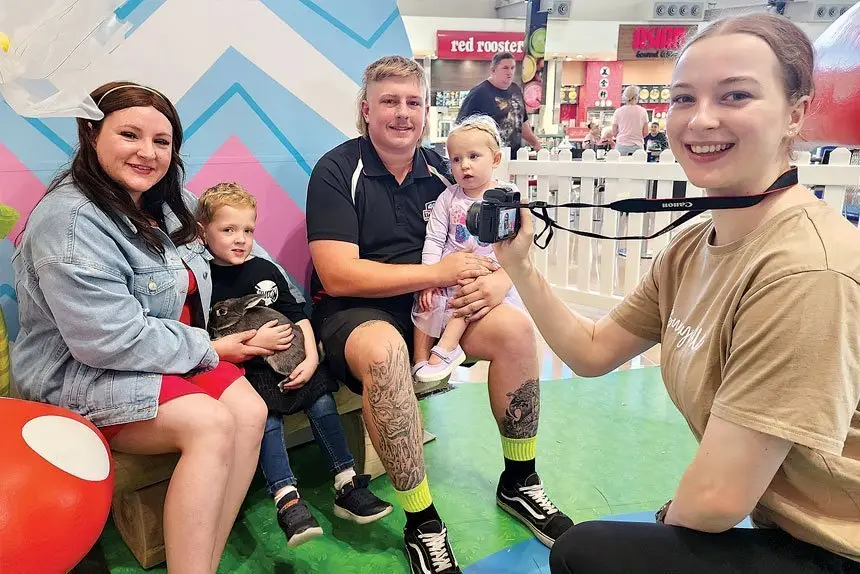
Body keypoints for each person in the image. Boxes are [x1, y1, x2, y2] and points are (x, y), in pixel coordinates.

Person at [493, 13, 860, 573]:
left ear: (797, 113)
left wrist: (666, 529)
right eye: (683, 98)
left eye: (735, 95)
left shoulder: (805, 269)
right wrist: (519, 265)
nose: (701, 120)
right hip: (779, 526)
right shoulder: (693, 246)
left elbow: (716, 501)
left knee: (586, 555)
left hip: (837, 549)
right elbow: (592, 351)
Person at [306, 55, 573, 574]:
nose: (403, 113)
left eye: (413, 102)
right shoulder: (338, 170)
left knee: (517, 330)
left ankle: (520, 481)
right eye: (390, 102)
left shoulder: (447, 166)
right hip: (358, 313)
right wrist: (438, 275)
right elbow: (338, 274)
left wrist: (498, 280)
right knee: (385, 353)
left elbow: (514, 238)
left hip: (441, 305)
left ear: (427, 110)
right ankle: (422, 521)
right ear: (365, 110)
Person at [11, 82, 278, 573]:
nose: (147, 152)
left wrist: (292, 312)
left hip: (161, 353)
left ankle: (203, 561)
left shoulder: (170, 202)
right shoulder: (70, 220)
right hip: (80, 372)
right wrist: (211, 346)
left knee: (250, 408)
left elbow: (238, 249)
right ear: (91, 135)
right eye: (129, 134)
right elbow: (107, 340)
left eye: (162, 141)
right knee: (211, 423)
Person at [196, 182, 393, 548]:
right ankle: (287, 497)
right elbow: (204, 339)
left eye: (248, 230)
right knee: (264, 415)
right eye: (228, 230)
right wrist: (256, 345)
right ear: (202, 232)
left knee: (320, 398)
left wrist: (313, 355)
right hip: (248, 372)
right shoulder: (202, 279)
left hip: (295, 361)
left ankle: (346, 482)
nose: (240, 239)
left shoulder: (263, 270)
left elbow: (296, 314)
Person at [410, 115, 527, 383]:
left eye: (474, 156)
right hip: (450, 270)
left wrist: (503, 271)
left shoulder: (507, 195)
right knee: (425, 301)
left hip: (488, 270)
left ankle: (447, 349)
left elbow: (518, 241)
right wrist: (429, 278)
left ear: (495, 159)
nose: (465, 166)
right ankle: (420, 359)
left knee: (469, 291)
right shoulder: (448, 197)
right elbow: (434, 239)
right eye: (456, 159)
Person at [457, 51, 543, 159]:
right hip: (488, 159)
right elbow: (461, 128)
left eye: (512, 68)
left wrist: (535, 143)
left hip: (515, 158)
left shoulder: (516, 90)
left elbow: (522, 122)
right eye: (505, 68)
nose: (510, 72)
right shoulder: (479, 93)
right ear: (493, 70)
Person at [611, 85, 650, 155]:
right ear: (636, 96)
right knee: (637, 166)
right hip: (637, 146)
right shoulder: (643, 111)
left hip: (621, 145)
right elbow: (646, 132)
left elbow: (614, 132)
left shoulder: (618, 111)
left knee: (620, 166)